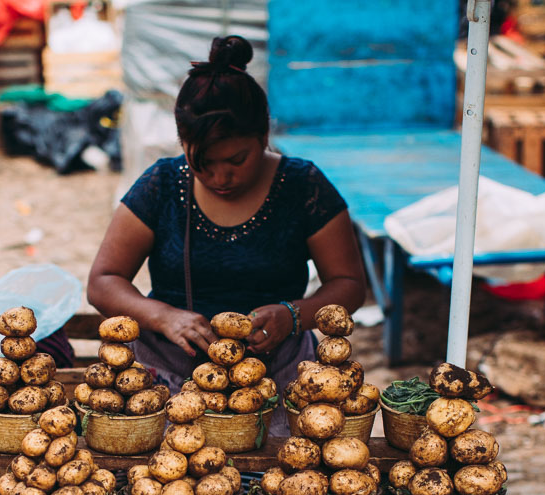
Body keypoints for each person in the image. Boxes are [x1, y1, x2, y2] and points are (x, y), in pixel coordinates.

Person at [87, 34, 366, 411]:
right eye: (202, 163)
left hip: (277, 375)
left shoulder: (303, 186)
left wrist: (293, 315)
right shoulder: (163, 184)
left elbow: (348, 286)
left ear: (264, 135)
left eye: (237, 160)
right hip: (164, 377)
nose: (220, 178)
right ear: (182, 141)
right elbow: (103, 282)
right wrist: (164, 317)